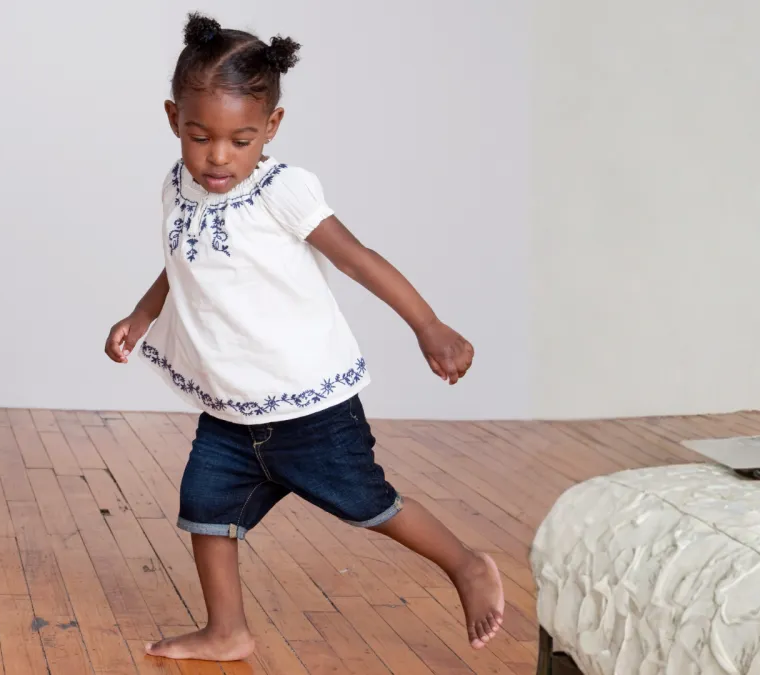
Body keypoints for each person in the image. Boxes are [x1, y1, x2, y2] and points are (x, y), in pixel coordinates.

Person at [104, 12, 504, 662]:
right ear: (174, 117)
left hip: (311, 406)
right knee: (206, 509)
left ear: (272, 128)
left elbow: (356, 257)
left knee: (368, 502)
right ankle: (226, 628)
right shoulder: (177, 187)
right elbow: (184, 260)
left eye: (240, 139)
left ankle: (464, 563)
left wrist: (428, 324)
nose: (218, 156)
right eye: (201, 136)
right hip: (232, 405)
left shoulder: (281, 191)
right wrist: (142, 314)